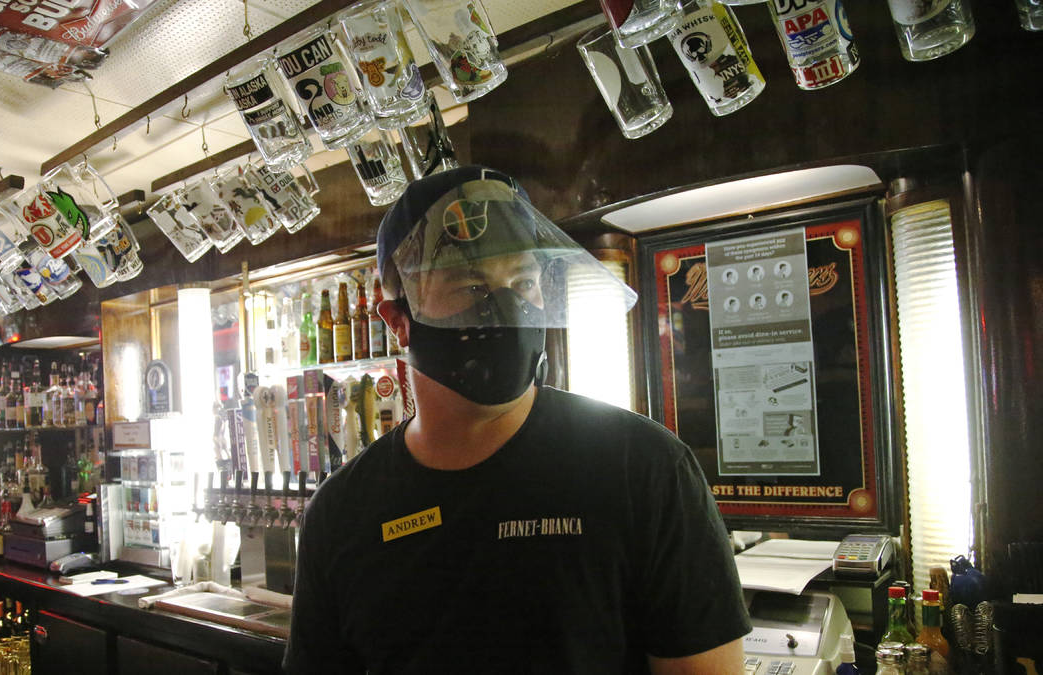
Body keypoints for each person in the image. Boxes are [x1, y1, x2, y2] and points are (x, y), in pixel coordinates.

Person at [284, 167, 750, 674]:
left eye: (522, 281)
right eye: (469, 284)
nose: (505, 307)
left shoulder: (644, 469)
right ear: (397, 319)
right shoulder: (341, 513)